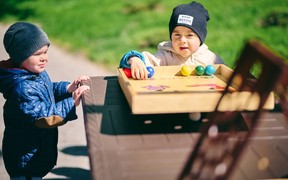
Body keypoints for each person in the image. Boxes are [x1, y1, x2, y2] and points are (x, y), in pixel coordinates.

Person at [0, 22, 90, 180]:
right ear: (20, 56)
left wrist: (69, 88)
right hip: (25, 161)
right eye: (37, 54)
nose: (44, 58)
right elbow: (44, 117)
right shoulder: (22, 89)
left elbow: (48, 90)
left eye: (46, 52)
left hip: (35, 153)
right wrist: (72, 102)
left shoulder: (33, 73)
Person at [119, 1, 224, 80]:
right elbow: (143, 60)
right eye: (177, 34)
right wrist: (134, 59)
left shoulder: (211, 59)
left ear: (201, 38)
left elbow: (226, 76)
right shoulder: (165, 56)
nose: (182, 40)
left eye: (189, 35)